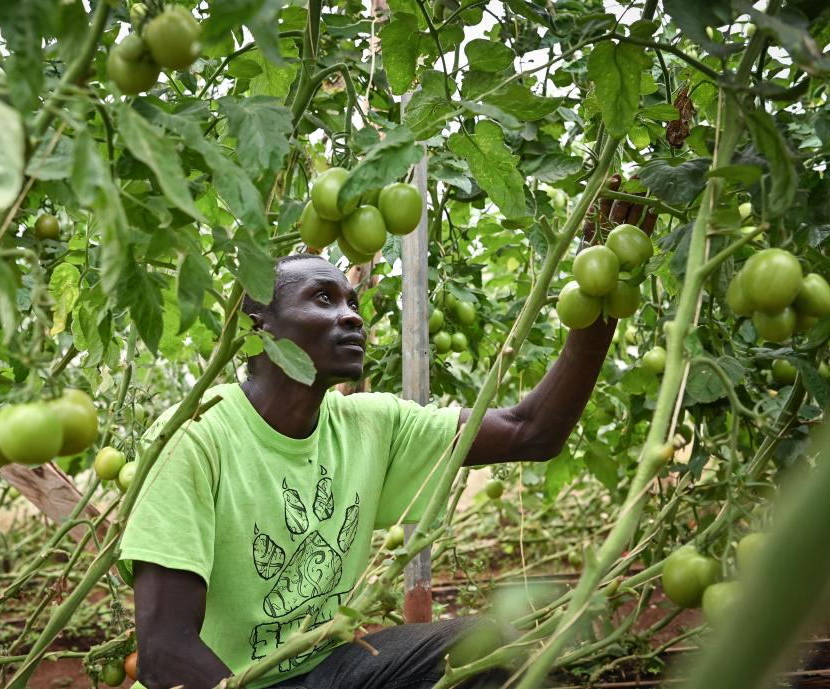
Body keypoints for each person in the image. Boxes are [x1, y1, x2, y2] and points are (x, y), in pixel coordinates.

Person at [118, 186, 656, 689]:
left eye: (352, 301)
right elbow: (165, 651)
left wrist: (598, 300)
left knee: (488, 646)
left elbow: (530, 432)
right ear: (259, 324)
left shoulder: (371, 425)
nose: (351, 316)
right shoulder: (196, 440)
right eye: (323, 299)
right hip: (227, 681)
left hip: (319, 667)